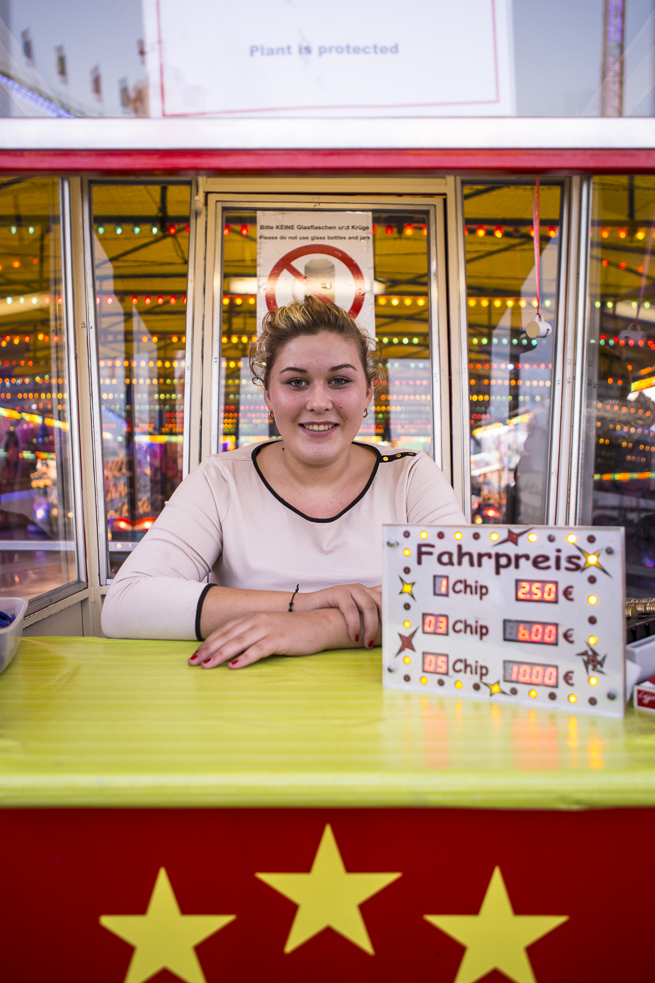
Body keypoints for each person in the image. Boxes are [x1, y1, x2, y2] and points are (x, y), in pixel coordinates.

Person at [102, 296, 466, 667]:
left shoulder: (410, 474)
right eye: (296, 382)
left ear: (369, 393)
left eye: (340, 380)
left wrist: (319, 626)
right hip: (246, 706)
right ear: (269, 397)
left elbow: (468, 597)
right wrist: (301, 603)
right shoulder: (222, 478)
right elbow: (125, 603)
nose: (319, 401)